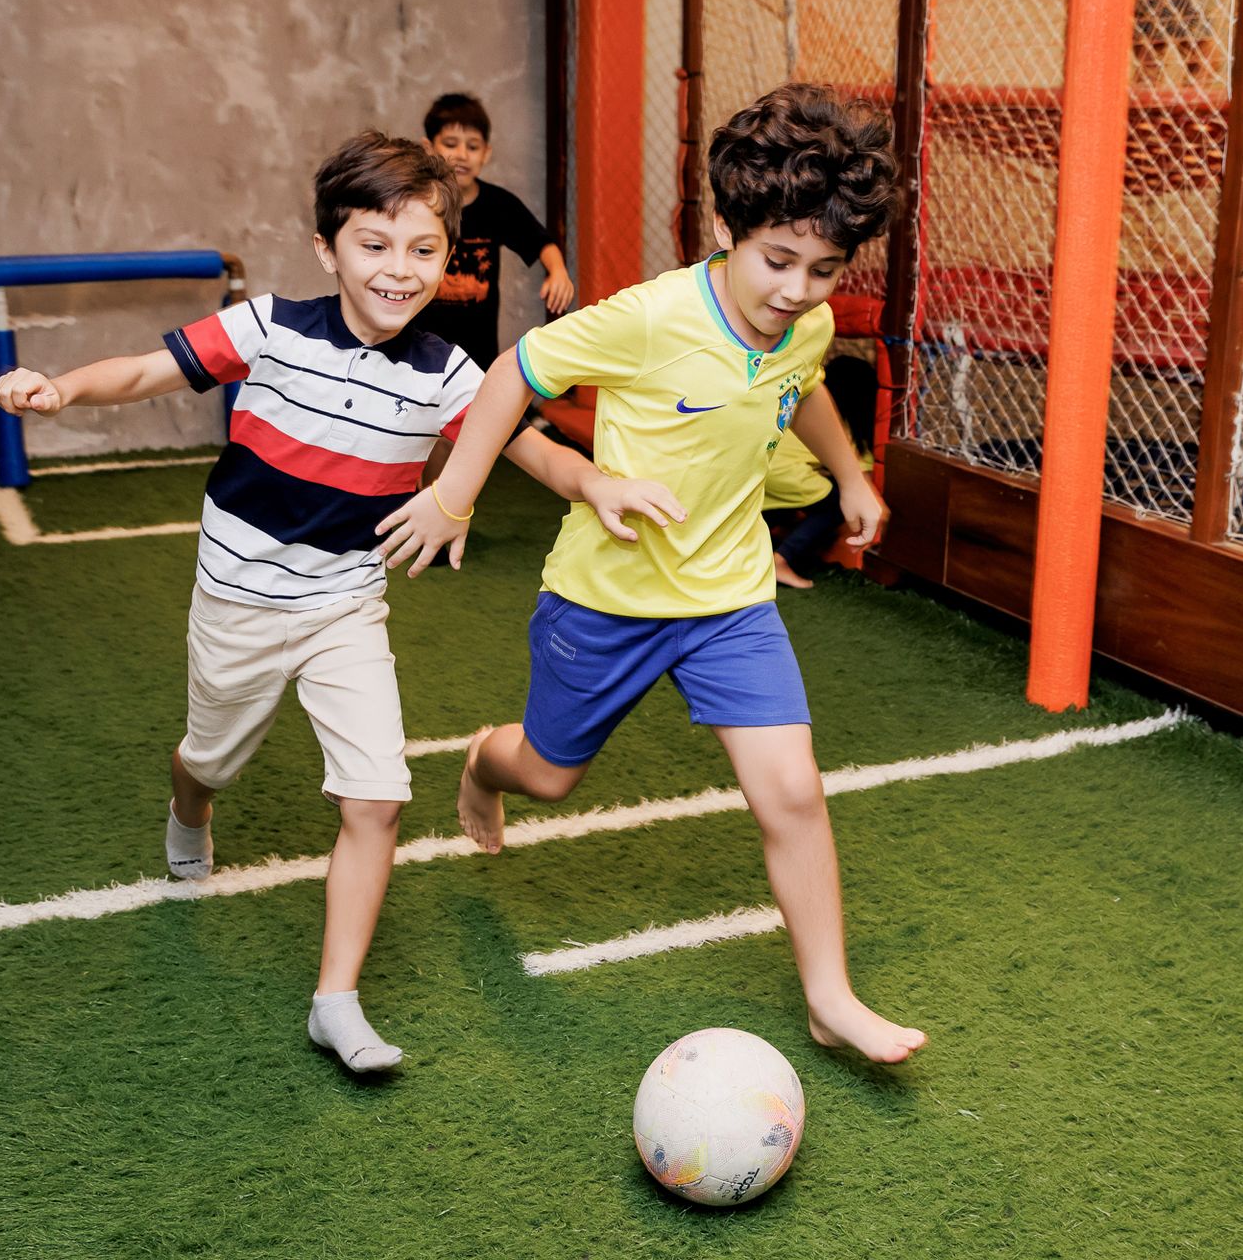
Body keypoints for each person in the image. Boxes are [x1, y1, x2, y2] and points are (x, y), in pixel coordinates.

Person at [0, 131, 676, 1075]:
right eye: (375, 245)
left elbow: (526, 443)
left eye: (424, 251)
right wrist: (61, 388)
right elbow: (149, 369)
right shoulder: (271, 326)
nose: (400, 271)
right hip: (237, 598)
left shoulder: (447, 370)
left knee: (377, 797)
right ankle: (189, 804)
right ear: (328, 249)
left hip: (345, 606)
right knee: (210, 759)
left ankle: (335, 1000)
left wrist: (594, 484)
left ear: (449, 258)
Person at [376, 84, 928, 1065]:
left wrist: (848, 476)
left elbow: (801, 386)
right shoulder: (649, 317)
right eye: (779, 260)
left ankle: (829, 996)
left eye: (825, 269)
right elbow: (513, 373)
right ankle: (482, 763)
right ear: (724, 228)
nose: (800, 289)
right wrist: (454, 495)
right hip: (609, 595)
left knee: (792, 792)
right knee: (550, 772)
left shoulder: (803, 320)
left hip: (727, 598)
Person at [417, 92, 575, 371]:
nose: (462, 155)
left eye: (473, 146)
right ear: (429, 148)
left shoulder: (498, 205)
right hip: (418, 346)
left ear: (486, 153)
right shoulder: (415, 203)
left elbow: (542, 242)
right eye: (451, 144)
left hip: (477, 354)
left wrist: (558, 271)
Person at [765, 354, 878, 588]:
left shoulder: (798, 409)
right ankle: (781, 560)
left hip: (761, 470)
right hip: (787, 476)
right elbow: (861, 480)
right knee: (837, 501)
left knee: (788, 503)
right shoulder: (843, 427)